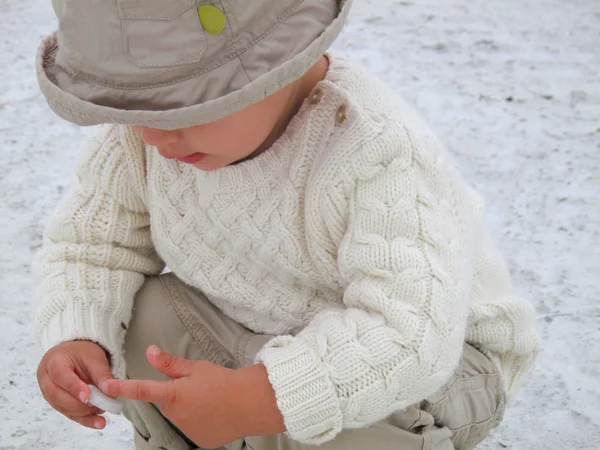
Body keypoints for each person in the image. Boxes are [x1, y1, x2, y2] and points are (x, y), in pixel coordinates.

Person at [33, 1, 540, 449]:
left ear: (277, 63)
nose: (153, 136)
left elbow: (410, 336)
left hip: (435, 372)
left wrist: (257, 399)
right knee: (139, 314)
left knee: (355, 413)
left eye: (184, 104)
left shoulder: (377, 149)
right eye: (130, 107)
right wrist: (79, 338)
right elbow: (92, 246)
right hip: (252, 337)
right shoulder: (144, 138)